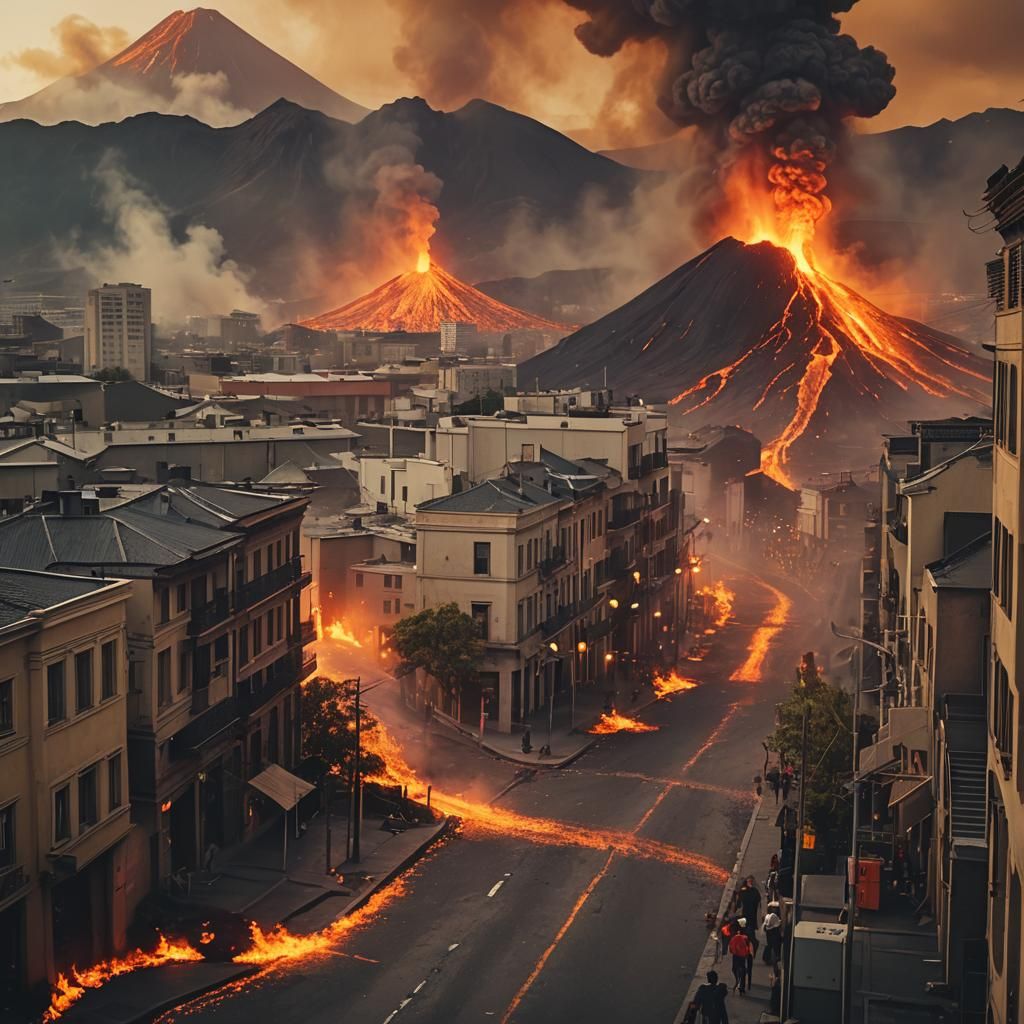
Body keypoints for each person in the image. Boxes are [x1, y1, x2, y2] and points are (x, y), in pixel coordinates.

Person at [728, 926, 753, 994]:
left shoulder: (734, 937)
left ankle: (737, 981)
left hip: (735, 956)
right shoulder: (746, 938)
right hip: (743, 956)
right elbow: (748, 948)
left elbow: (730, 948)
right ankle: (742, 986)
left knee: (735, 969)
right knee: (743, 969)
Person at [763, 901, 783, 971]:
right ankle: (772, 958)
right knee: (774, 945)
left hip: (770, 932)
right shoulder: (773, 916)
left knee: (770, 945)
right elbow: (777, 923)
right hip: (773, 932)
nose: (775, 909)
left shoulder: (768, 916)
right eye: (773, 908)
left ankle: (767, 958)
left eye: (776, 908)